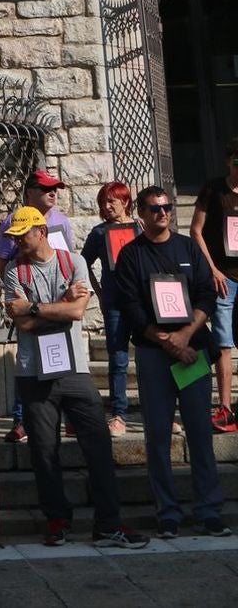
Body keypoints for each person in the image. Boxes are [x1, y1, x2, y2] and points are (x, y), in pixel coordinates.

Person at [2, 206, 148, 549]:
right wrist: (59, 305)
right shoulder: (14, 271)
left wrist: (36, 307)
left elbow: (77, 312)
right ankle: (57, 519)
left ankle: (108, 523)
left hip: (74, 368)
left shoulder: (73, 262)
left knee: (97, 445)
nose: (18, 242)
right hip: (32, 371)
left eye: (22, 234)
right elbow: (22, 324)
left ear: (40, 231)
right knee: (43, 450)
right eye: (14, 236)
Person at [114, 187, 229, 538]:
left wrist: (184, 336)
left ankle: (208, 511)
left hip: (191, 352)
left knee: (198, 432)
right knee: (158, 436)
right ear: (142, 214)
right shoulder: (132, 255)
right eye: (155, 208)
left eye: (166, 207)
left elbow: (206, 295)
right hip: (154, 354)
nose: (163, 213)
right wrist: (165, 340)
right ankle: (168, 513)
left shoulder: (187, 248)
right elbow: (131, 306)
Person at [0, 171, 77, 443]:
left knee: (65, 361)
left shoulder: (62, 222)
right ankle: (21, 420)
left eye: (55, 189)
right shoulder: (12, 222)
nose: (52, 193)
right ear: (29, 192)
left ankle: (68, 418)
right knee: (28, 359)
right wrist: (19, 293)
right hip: (29, 299)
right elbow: (1, 263)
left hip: (59, 302)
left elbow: (69, 261)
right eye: (45, 189)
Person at [81, 182, 142, 437]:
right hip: (114, 304)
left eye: (111, 202)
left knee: (148, 358)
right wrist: (99, 290)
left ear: (125, 201)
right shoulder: (98, 233)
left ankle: (157, 411)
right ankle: (119, 414)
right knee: (117, 359)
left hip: (141, 303)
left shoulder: (139, 228)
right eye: (103, 203)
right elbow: (83, 263)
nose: (107, 207)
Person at [188, 138, 238, 432]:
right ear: (229, 161)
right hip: (223, 279)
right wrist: (213, 270)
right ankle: (225, 408)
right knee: (223, 344)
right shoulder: (213, 189)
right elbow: (195, 231)